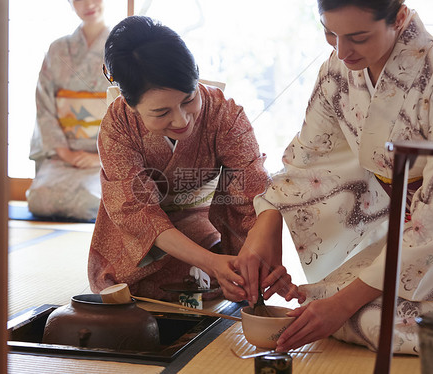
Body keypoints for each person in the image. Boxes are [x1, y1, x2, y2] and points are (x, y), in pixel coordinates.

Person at [237, 0, 433, 355]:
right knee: (317, 304)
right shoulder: (337, 72)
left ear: (401, 17)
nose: (342, 51)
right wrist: (266, 224)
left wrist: (344, 304)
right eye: (330, 33)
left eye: (358, 37)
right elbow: (307, 157)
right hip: (406, 229)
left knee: (367, 318)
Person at [87, 16, 270, 301]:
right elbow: (136, 211)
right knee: (127, 290)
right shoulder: (117, 126)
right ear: (131, 105)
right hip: (137, 234)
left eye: (189, 99)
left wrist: (255, 258)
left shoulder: (225, 114)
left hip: (202, 220)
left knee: (230, 270)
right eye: (161, 113)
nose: (182, 120)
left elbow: (253, 191)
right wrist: (212, 264)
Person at [27, 0, 110, 221]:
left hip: (105, 157)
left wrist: (100, 158)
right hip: (64, 154)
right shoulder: (57, 49)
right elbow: (44, 104)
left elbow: (132, 109)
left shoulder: (121, 50)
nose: (89, 4)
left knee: (91, 201)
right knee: (39, 199)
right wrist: (65, 153)